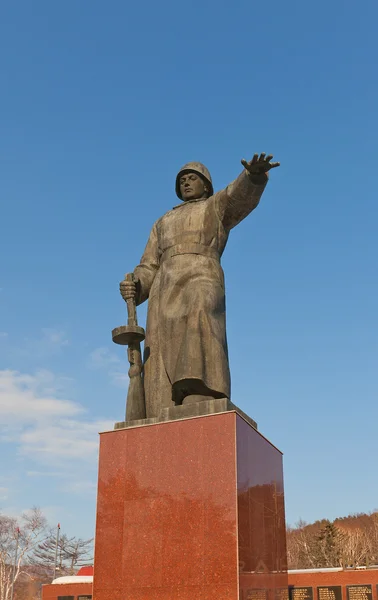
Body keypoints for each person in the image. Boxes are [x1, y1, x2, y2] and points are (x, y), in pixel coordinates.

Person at [120, 153, 279, 418]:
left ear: (206, 185)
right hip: (165, 285)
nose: (186, 183)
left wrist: (253, 176)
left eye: (192, 178)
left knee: (200, 307)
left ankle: (200, 387)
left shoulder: (214, 207)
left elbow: (237, 196)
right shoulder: (162, 222)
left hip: (202, 272)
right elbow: (148, 264)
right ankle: (165, 403)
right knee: (161, 346)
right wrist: (136, 284)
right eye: (181, 180)